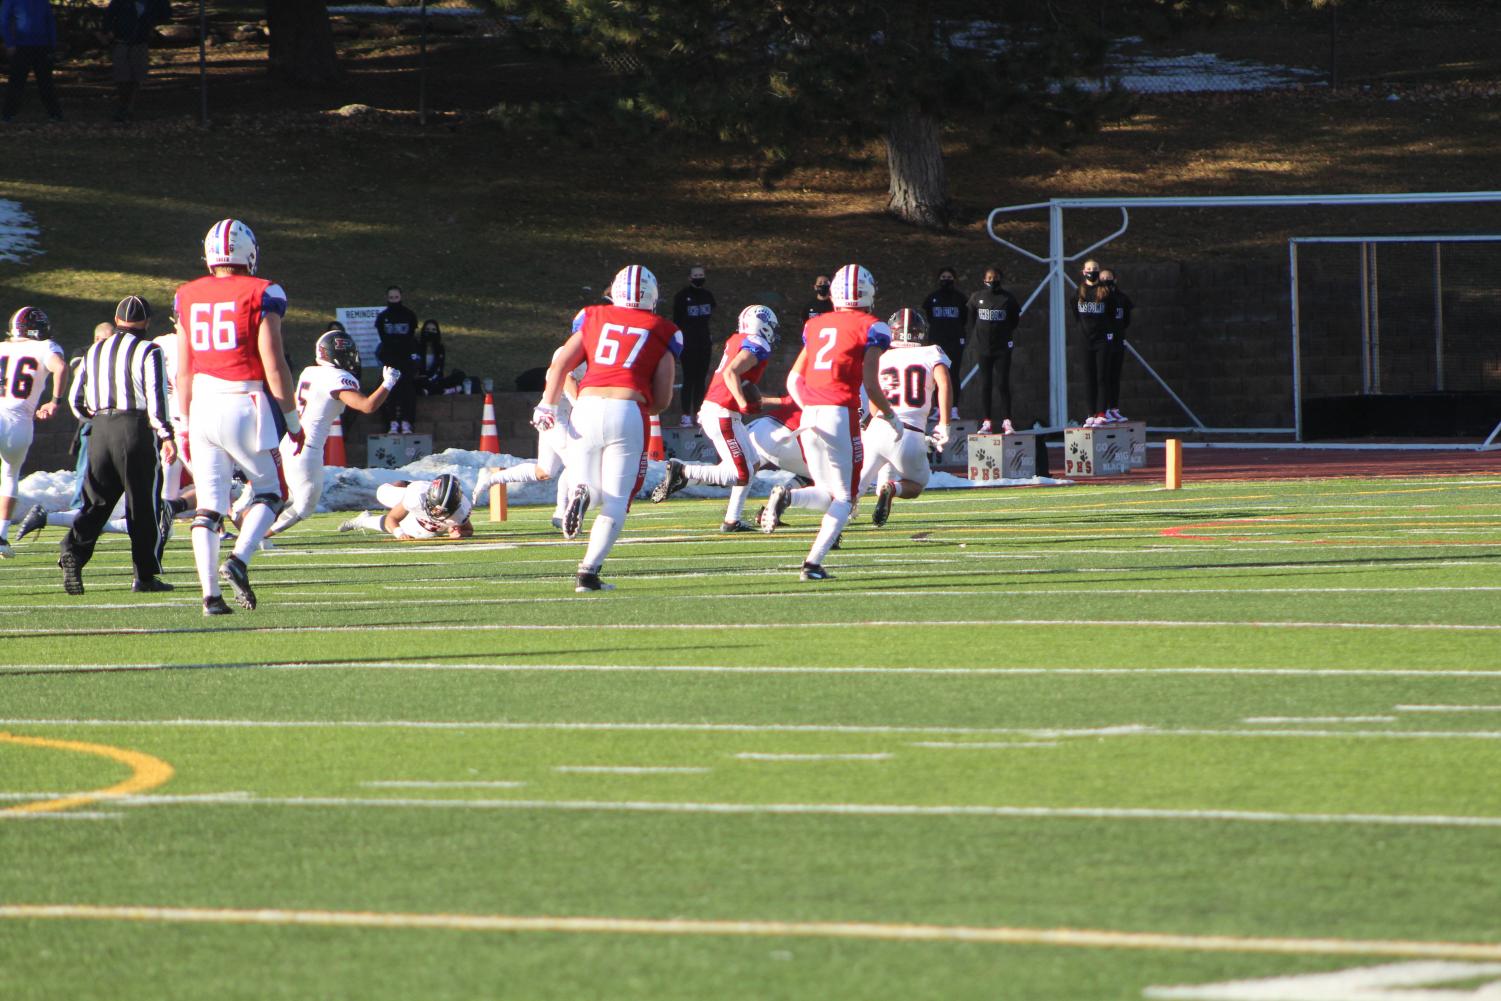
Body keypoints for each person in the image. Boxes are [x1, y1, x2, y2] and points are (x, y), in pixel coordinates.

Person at [174, 218, 301, 615]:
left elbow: (184, 369)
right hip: (245, 401)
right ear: (249, 254)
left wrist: (183, 424)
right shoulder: (262, 291)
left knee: (209, 506)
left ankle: (210, 596)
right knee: (270, 493)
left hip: (202, 406)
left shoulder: (187, 294)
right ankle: (240, 559)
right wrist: (293, 420)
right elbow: (274, 363)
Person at [539, 264, 682, 592]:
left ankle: (583, 491)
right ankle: (588, 573)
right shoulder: (663, 330)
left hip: (586, 406)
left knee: (590, 481)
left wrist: (547, 403)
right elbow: (661, 400)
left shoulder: (592, 316)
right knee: (617, 499)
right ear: (654, 296)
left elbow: (561, 362)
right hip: (627, 409)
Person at [759, 263, 897, 582]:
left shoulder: (816, 324)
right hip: (840, 414)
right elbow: (872, 383)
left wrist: (814, 406)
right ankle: (812, 564)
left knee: (828, 492)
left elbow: (794, 379)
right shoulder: (874, 327)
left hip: (811, 415)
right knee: (846, 499)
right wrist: (890, 416)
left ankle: (788, 496)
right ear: (869, 292)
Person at [58, 295, 174, 594]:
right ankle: (144, 575)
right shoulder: (149, 350)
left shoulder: (94, 350)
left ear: (117, 319)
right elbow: (156, 398)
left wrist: (95, 421)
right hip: (134, 429)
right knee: (142, 504)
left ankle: (73, 551)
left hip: (100, 429)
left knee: (96, 501)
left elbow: (75, 400)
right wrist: (165, 434)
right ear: (146, 322)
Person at [244, 329, 399, 539]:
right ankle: (257, 536)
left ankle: (248, 516)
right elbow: (367, 406)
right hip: (307, 450)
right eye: (348, 353)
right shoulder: (338, 378)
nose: (352, 358)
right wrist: (388, 383)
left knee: (278, 494)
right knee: (304, 506)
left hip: (288, 443)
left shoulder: (310, 372)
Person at [651, 304, 784, 532]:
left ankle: (732, 520)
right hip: (722, 413)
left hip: (722, 411)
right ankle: (683, 471)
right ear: (762, 324)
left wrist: (777, 402)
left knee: (751, 465)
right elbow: (732, 372)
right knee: (741, 473)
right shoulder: (757, 343)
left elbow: (738, 379)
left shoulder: (737, 339)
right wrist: (743, 402)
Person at [472, 337, 584, 532]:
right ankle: (561, 513)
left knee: (544, 471)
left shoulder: (595, 354)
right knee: (576, 461)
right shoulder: (567, 352)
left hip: (563, 415)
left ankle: (491, 479)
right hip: (552, 415)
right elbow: (571, 387)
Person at [859, 308, 952, 526]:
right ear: (921, 332)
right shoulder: (931, 352)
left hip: (879, 426)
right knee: (917, 483)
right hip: (910, 432)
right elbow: (944, 383)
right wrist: (944, 423)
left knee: (853, 487)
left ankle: (837, 523)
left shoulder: (882, 356)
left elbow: (873, 402)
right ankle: (893, 488)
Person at [0, 305, 66, 557]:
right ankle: (1, 536)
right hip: (19, 423)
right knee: (9, 477)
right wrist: (55, 401)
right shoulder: (44, 347)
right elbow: (60, 367)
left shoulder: (2, 347)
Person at [966, 266, 1021, 434]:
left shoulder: (1008, 299)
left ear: (1000, 279)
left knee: (1003, 383)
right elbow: (971, 319)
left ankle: (1007, 421)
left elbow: (1014, 321)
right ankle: (987, 422)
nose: (992, 281)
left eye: (995, 277)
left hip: (1002, 348)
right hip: (983, 348)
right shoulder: (977, 297)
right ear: (984, 279)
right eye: (989, 278)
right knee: (985, 384)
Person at [338, 474, 472, 541]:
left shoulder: (461, 511)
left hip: (424, 526)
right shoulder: (417, 496)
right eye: (435, 508)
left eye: (443, 511)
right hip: (414, 499)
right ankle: (404, 485)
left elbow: (468, 530)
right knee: (382, 493)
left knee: (425, 534)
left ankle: (363, 520)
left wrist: (459, 534)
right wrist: (399, 533)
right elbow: (392, 518)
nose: (437, 513)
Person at [102, 0, 171, 123]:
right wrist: (108, 31)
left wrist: (151, 26)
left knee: (137, 77)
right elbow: (109, 15)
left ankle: (129, 108)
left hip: (140, 41)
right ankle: (122, 105)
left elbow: (165, 14)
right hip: (122, 40)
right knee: (122, 76)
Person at [0, 0, 62, 123]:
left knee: (46, 81)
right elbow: (4, 20)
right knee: (16, 81)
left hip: (42, 46)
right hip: (21, 46)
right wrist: (10, 42)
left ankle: (55, 113)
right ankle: (8, 113)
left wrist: (52, 44)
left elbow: (49, 20)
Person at [1074, 258, 1118, 427]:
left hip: (1102, 340)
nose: (1092, 271)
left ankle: (1101, 412)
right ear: (1083, 272)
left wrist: (1108, 334)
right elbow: (1075, 313)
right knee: (1088, 377)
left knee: (1101, 376)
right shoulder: (1079, 292)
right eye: (1089, 268)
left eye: (1095, 269)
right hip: (1085, 340)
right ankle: (1090, 413)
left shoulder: (1105, 292)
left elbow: (1113, 314)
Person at [671, 264, 715, 427]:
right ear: (689, 278)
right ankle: (685, 415)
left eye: (701, 275)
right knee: (689, 379)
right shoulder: (682, 296)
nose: (698, 278)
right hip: (688, 343)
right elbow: (677, 321)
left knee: (700, 380)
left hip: (704, 343)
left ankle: (698, 412)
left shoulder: (708, 296)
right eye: (695, 276)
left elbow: (709, 315)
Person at [921, 266, 967, 418]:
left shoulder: (960, 299)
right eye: (943, 277)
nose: (946, 280)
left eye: (949, 277)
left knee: (953, 374)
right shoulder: (932, 298)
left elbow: (964, 318)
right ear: (938, 279)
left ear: (954, 279)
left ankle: (953, 409)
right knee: (935, 374)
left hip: (955, 340)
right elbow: (929, 316)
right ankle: (938, 409)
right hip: (937, 341)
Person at [374, 286, 420, 432]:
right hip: (390, 358)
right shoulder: (382, 317)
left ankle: (407, 421)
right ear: (387, 298)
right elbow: (383, 337)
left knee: (407, 390)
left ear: (401, 297)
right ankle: (392, 422)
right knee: (390, 389)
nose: (394, 300)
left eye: (396, 297)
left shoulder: (409, 315)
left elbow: (411, 335)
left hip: (406, 358)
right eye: (391, 298)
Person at [1099, 268, 1134, 423]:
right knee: (1103, 376)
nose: (1106, 280)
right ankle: (1102, 409)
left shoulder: (1121, 298)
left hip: (1117, 342)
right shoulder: (1097, 298)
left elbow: (1126, 320)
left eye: (1109, 278)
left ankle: (1114, 408)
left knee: (1115, 376)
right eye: (1103, 278)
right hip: (1102, 343)